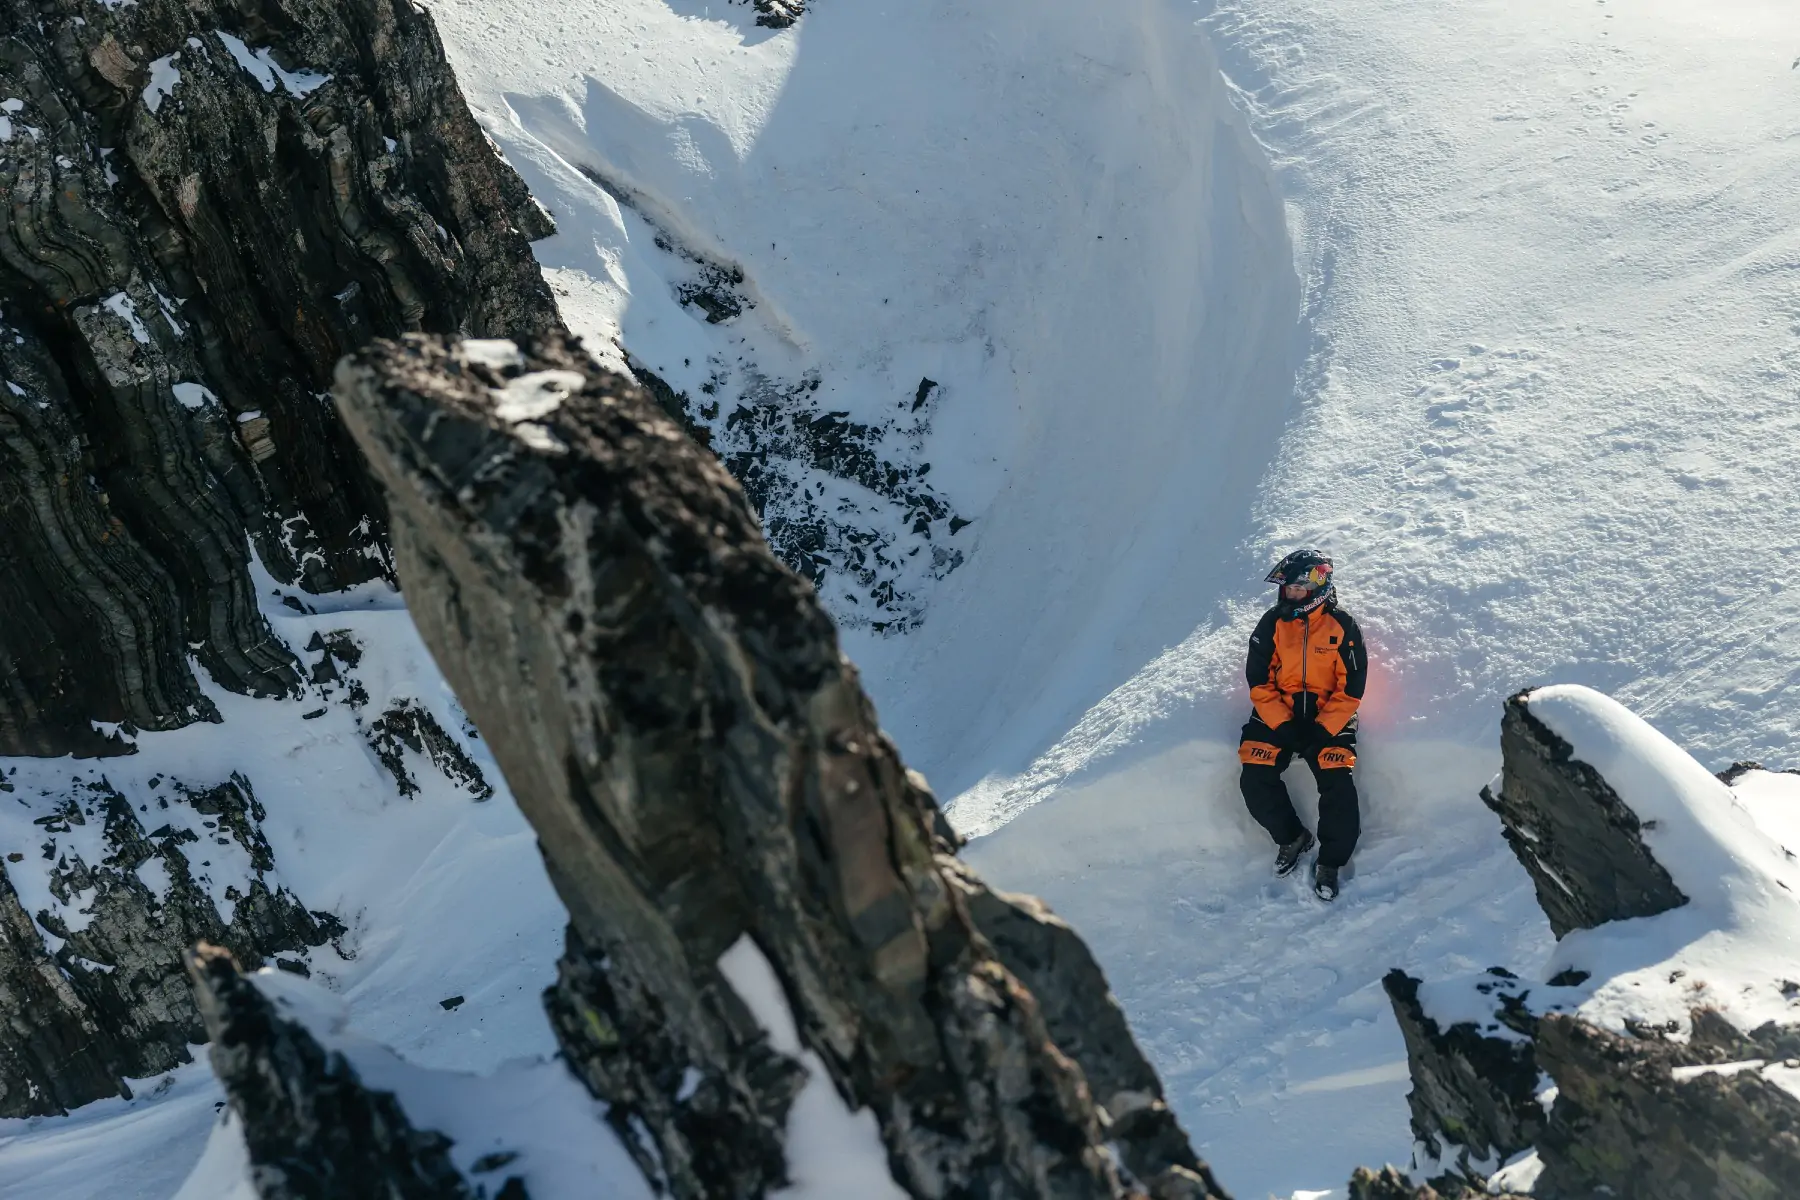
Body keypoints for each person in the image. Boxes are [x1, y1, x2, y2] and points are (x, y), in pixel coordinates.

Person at [1238, 550, 1367, 901]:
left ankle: (1331, 862)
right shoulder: (1272, 624)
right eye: (1286, 590)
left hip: (1330, 717)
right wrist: (1285, 726)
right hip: (1278, 714)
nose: (1288, 596)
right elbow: (1258, 680)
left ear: (1317, 589)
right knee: (1254, 777)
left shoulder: (1343, 626)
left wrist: (1322, 730)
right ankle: (1292, 837)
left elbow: (1352, 687)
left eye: (1296, 590)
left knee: (1337, 786)